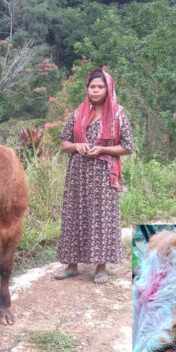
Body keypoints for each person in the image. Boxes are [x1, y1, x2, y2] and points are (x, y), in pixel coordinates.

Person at [53, 67, 133, 285]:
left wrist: (103, 150)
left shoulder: (117, 116)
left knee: (102, 217)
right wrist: (76, 145)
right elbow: (63, 144)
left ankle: (101, 266)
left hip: (104, 175)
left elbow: (127, 147)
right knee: (74, 215)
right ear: (87, 89)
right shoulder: (77, 114)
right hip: (78, 174)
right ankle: (71, 265)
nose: (96, 91)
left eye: (100, 87)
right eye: (92, 87)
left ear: (108, 89)